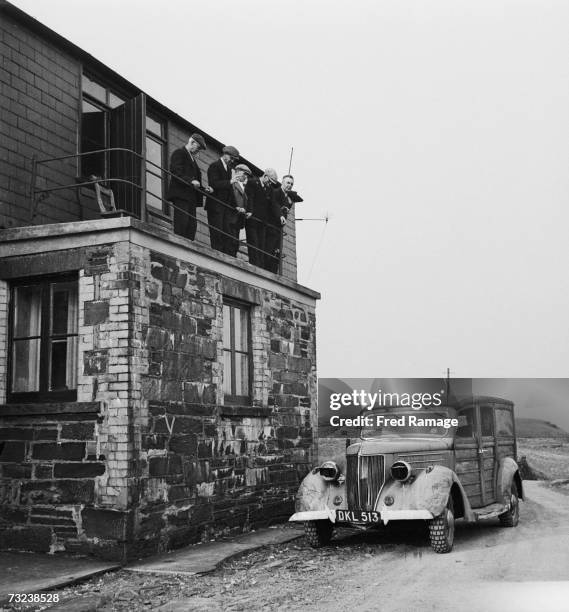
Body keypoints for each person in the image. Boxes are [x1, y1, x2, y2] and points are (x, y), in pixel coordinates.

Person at [167, 133, 209, 240]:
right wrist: (191, 181)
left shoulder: (193, 160)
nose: (198, 151)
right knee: (182, 224)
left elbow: (195, 181)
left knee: (191, 226)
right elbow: (175, 171)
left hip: (191, 199)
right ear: (192, 143)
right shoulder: (179, 153)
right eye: (198, 148)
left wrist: (205, 190)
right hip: (181, 196)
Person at [206, 145, 240, 253]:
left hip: (225, 208)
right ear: (225, 155)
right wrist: (230, 182)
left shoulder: (230, 170)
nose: (232, 161)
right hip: (215, 207)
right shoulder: (214, 166)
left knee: (226, 234)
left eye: (234, 159)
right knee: (217, 233)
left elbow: (230, 191)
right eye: (232, 158)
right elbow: (214, 183)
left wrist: (236, 206)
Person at [245, 168, 279, 267]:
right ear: (265, 176)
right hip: (252, 220)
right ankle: (254, 265)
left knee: (261, 245)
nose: (270, 184)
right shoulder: (252, 182)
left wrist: (280, 215)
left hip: (262, 222)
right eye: (270, 181)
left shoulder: (270, 189)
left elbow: (273, 204)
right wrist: (250, 210)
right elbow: (249, 197)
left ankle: (259, 266)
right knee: (253, 243)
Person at [266, 175, 295, 273]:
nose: (289, 185)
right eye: (288, 183)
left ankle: (273, 271)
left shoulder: (288, 199)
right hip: (271, 227)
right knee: (269, 249)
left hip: (279, 229)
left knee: (277, 251)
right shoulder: (276, 192)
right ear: (282, 182)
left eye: (291, 184)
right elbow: (274, 205)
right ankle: (267, 270)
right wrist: (281, 213)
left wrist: (288, 205)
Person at [225, 163, 252, 257]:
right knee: (229, 241)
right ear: (238, 171)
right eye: (244, 174)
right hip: (231, 216)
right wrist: (236, 207)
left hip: (238, 219)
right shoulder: (232, 183)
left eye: (247, 175)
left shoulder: (243, 186)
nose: (245, 177)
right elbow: (229, 198)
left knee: (235, 243)